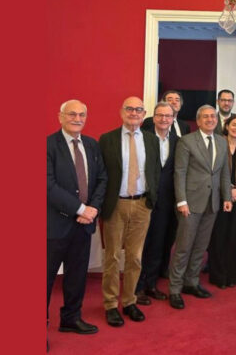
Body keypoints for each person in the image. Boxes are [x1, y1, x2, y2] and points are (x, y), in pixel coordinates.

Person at [47, 99, 107, 336]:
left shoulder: (91, 145)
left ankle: (71, 318)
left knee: (77, 275)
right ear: (60, 116)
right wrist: (81, 209)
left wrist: (93, 208)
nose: (77, 118)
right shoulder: (48, 145)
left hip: (84, 226)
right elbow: (48, 186)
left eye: (82, 115)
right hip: (55, 225)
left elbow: (102, 179)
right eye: (72, 114)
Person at [98, 97, 159, 326]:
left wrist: (152, 198)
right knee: (113, 256)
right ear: (121, 112)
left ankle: (129, 301)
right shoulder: (107, 139)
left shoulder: (151, 140)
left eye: (138, 109)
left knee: (135, 257)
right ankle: (111, 304)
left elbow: (155, 171)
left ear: (144, 114)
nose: (134, 113)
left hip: (142, 205)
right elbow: (101, 173)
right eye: (130, 109)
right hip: (116, 204)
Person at [167, 105, 232, 309]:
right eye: (205, 117)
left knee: (200, 246)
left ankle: (191, 282)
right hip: (190, 203)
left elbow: (224, 173)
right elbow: (180, 172)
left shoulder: (221, 141)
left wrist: (227, 197)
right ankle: (175, 289)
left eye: (213, 116)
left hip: (212, 202)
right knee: (184, 247)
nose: (210, 119)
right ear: (198, 120)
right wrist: (181, 201)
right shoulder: (186, 141)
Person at [134, 102, 180, 305]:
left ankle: (151, 285)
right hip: (144, 199)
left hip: (166, 202)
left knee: (158, 244)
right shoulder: (142, 138)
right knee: (140, 245)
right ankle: (136, 287)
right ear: (153, 117)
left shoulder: (178, 141)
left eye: (168, 116)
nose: (164, 119)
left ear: (173, 119)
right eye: (160, 115)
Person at [207, 115, 236, 289]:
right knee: (219, 235)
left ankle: (233, 274)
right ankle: (218, 275)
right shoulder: (217, 143)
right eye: (234, 124)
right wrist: (228, 189)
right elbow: (213, 170)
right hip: (219, 195)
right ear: (227, 126)